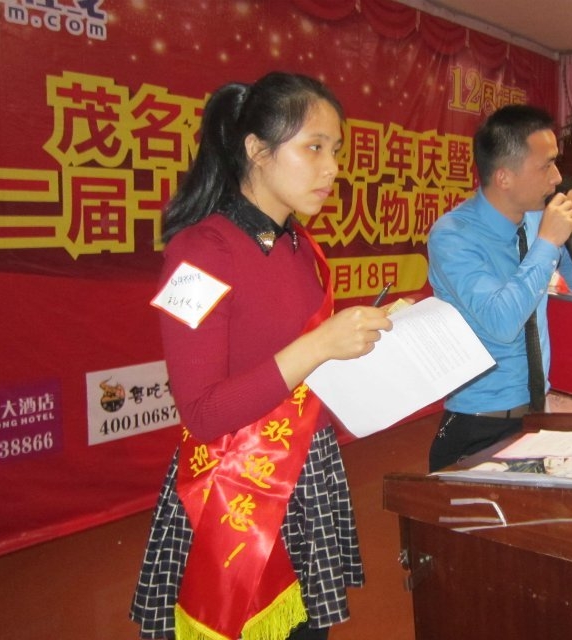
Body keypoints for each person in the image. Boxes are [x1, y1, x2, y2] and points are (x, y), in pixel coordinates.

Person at [131, 73, 392, 640]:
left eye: (336, 151)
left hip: (309, 475)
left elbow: (306, 374)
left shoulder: (302, 248)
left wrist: (363, 344)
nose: (332, 168)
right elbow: (202, 413)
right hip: (233, 488)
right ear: (256, 149)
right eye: (314, 148)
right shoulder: (197, 254)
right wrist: (318, 345)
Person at [426, 104, 572, 472]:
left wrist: (568, 244)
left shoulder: (539, 220)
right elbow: (502, 322)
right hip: (478, 424)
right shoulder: (453, 236)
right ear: (504, 177)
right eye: (546, 166)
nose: (557, 177)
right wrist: (547, 244)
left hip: (537, 417)